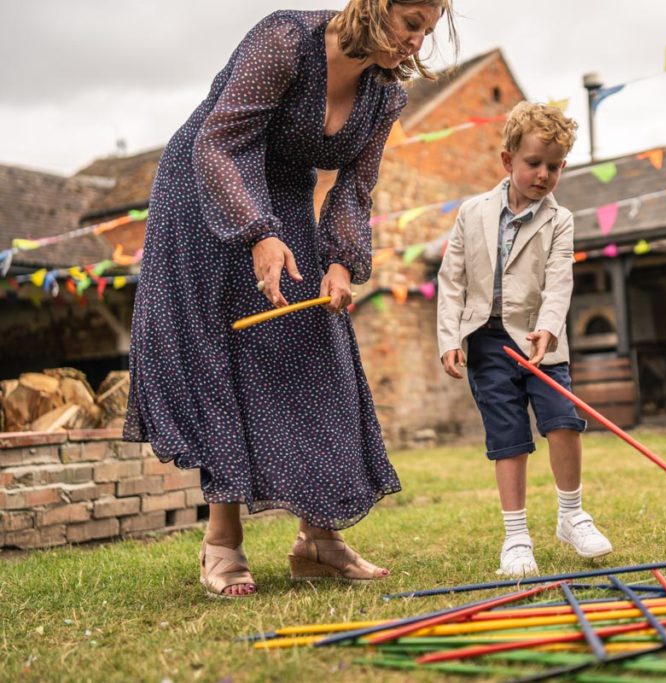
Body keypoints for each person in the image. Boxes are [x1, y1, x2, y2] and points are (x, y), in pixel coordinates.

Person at [123, 1, 458, 598]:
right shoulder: (287, 39)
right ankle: (222, 543)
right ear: (376, 6)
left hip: (285, 201)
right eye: (411, 23)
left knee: (316, 351)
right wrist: (256, 232)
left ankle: (318, 541)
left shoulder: (386, 95)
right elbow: (219, 142)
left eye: (427, 31)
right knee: (224, 357)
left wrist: (339, 261)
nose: (416, 42)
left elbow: (356, 186)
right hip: (207, 191)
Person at [436, 102, 613, 577]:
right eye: (534, 163)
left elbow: (559, 282)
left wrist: (549, 328)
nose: (543, 175)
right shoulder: (471, 213)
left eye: (553, 166)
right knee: (507, 438)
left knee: (563, 421)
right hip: (488, 344)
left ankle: (571, 515)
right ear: (507, 160)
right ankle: (516, 537)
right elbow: (452, 280)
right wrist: (449, 338)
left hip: (541, 340)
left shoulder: (560, 220)